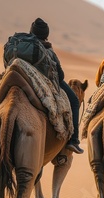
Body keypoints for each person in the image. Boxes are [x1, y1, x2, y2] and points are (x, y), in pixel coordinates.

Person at [30, 18, 84, 153]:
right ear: (46, 34)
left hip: (22, 77)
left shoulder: (23, 45)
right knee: (74, 102)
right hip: (45, 80)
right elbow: (60, 76)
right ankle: (73, 140)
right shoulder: (48, 49)